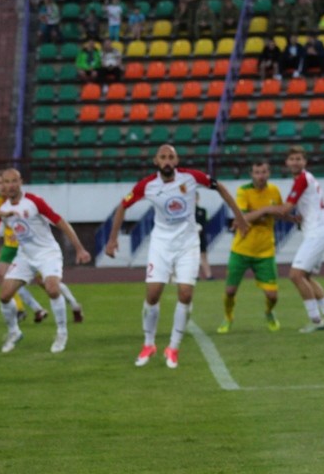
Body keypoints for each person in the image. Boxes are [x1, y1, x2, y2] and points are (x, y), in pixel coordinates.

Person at [105, 145, 248, 368]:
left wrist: (240, 217)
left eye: (171, 157)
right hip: (161, 244)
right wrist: (113, 239)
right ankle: (149, 344)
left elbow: (219, 186)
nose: (167, 161)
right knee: (153, 294)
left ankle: (173, 347)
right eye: (163, 157)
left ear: (177, 160)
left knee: (185, 293)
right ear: (156, 161)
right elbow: (123, 206)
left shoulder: (190, 178)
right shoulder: (147, 185)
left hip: (188, 244)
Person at [0, 168, 92, 354]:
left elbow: (61, 222)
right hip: (24, 256)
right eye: (6, 182)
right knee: (4, 296)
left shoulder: (34, 201)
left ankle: (62, 333)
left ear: (21, 182)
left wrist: (79, 248)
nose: (10, 186)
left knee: (52, 288)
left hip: (47, 253)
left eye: (14, 181)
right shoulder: (3, 210)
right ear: (2, 185)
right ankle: (14, 332)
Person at [263, 146, 324, 332]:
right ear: (287, 162)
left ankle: (316, 320)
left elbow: (285, 209)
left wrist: (264, 210)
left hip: (316, 233)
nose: (295, 162)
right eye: (292, 159)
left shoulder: (301, 180)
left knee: (295, 275)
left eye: (298, 159)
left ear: (304, 161)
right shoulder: (306, 178)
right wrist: (295, 216)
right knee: (305, 276)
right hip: (317, 231)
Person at [218, 160, 283, 334]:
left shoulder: (274, 191)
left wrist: (289, 217)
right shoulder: (243, 191)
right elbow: (242, 217)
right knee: (230, 291)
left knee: (272, 296)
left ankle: (269, 312)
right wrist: (264, 211)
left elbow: (279, 212)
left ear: (269, 173)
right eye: (257, 172)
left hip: (265, 251)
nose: (260, 176)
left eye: (264, 172)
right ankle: (228, 317)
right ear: (251, 174)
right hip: (241, 249)